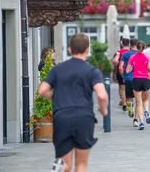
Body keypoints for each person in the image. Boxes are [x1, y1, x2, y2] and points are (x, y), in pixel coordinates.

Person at [38, 33, 108, 172]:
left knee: (63, 163)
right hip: (84, 117)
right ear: (88, 50)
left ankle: (56, 169)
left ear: (70, 50)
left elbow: (42, 90)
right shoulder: (92, 71)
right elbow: (101, 94)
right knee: (81, 164)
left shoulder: (57, 69)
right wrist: (104, 110)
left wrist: (55, 97)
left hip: (62, 117)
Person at [126, 41, 150, 130]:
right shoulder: (147, 57)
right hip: (145, 79)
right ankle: (146, 110)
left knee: (138, 103)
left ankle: (141, 122)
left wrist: (132, 69)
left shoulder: (132, 57)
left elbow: (127, 70)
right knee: (145, 99)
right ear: (144, 48)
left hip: (136, 79)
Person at [119, 38, 139, 127]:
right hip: (139, 78)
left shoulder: (125, 54)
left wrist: (123, 76)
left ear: (130, 45)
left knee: (129, 97)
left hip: (128, 78)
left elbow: (120, 67)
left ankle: (130, 107)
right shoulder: (140, 54)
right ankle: (136, 119)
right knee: (139, 101)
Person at [113, 38, 130, 111]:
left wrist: (117, 63)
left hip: (121, 71)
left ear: (122, 44)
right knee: (129, 88)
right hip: (130, 71)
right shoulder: (131, 52)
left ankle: (124, 103)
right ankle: (129, 102)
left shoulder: (119, 52)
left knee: (122, 88)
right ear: (129, 44)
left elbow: (115, 61)